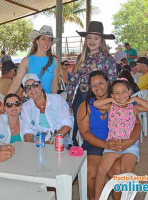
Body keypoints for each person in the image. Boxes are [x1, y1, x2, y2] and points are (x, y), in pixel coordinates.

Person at [77, 71, 141, 200]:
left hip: (119, 143)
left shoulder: (123, 101)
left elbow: (137, 124)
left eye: (101, 83)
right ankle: (94, 198)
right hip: (95, 144)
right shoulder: (86, 105)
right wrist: (105, 144)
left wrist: (130, 141)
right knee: (91, 173)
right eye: (93, 85)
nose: (98, 87)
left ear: (108, 82)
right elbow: (85, 133)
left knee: (117, 172)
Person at [94, 78, 148, 199]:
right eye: (116, 93)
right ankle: (97, 198)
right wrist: (112, 100)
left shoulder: (134, 108)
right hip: (112, 145)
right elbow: (96, 104)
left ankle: (128, 197)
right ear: (112, 95)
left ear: (129, 92)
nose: (121, 95)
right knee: (102, 170)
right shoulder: (110, 107)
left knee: (127, 171)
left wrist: (134, 99)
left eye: (124, 92)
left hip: (130, 146)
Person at [66, 21, 117, 146]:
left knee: (95, 127)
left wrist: (111, 100)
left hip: (98, 96)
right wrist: (69, 102)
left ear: (101, 40)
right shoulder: (81, 58)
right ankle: (75, 153)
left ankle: (97, 150)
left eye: (96, 38)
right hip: (81, 96)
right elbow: (73, 81)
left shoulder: (107, 59)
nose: (92, 41)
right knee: (76, 126)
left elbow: (112, 82)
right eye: (89, 38)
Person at [21, 73, 73, 145]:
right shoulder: (25, 107)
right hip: (38, 140)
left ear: (40, 85)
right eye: (28, 87)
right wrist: (30, 148)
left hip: (60, 137)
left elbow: (68, 123)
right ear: (26, 91)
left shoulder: (57, 99)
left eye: (35, 85)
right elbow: (28, 131)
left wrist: (51, 140)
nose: (32, 89)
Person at [8, 25, 60, 95]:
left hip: (48, 101)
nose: (46, 43)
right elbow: (17, 82)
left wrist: (54, 101)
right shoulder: (26, 61)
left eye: (49, 40)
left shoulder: (55, 61)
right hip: (30, 101)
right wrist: (7, 99)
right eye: (43, 39)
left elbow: (54, 85)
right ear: (37, 41)